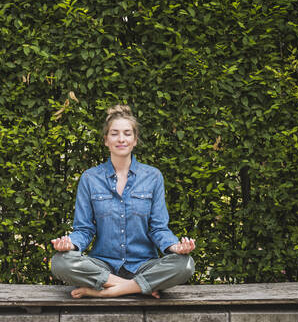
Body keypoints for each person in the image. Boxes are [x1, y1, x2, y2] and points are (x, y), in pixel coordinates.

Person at [50, 105, 195, 298]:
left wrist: (174, 247)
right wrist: (70, 245)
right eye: (114, 134)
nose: (121, 139)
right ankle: (134, 287)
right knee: (60, 262)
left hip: (144, 265)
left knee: (185, 264)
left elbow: (158, 228)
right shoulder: (90, 178)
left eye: (127, 134)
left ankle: (105, 292)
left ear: (135, 140)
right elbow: (84, 229)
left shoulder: (153, 176)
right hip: (103, 265)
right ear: (106, 140)